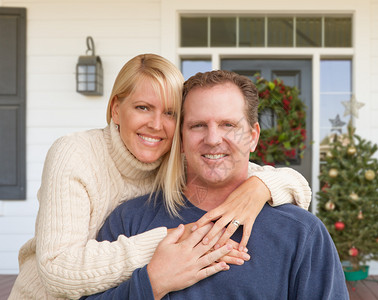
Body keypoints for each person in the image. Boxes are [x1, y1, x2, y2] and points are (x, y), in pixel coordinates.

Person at [9, 54, 311, 300]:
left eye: (170, 113)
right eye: (143, 107)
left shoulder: (175, 156)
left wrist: (260, 187)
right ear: (116, 109)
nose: (157, 125)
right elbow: (58, 272)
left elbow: (240, 166)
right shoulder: (75, 153)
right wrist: (169, 242)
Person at [83, 70, 348, 299]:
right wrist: (152, 284)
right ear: (182, 139)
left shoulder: (302, 233)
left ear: (253, 136)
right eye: (198, 125)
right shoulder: (129, 221)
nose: (213, 139)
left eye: (228, 125)